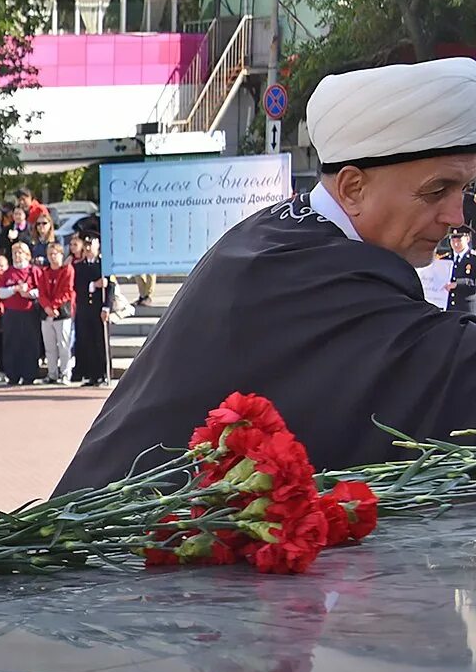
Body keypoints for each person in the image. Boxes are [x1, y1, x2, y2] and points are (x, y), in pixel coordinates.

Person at [58, 57, 476, 491]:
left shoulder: (276, 233)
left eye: (464, 189)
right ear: (353, 188)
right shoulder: (312, 273)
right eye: (436, 190)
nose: (456, 215)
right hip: (125, 549)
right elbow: (442, 368)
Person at [0, 243, 43, 386]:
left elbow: (42, 291)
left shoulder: (34, 271)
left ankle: (29, 374)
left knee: (29, 343)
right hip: (11, 313)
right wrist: (15, 289)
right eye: (15, 252)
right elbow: (1, 293)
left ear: (27, 254)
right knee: (11, 343)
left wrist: (28, 293)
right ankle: (13, 374)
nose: (17, 255)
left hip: (29, 312)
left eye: (20, 252)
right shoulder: (8, 273)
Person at [69, 234, 111, 386]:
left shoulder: (103, 266)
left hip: (98, 309)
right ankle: (90, 374)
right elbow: (77, 286)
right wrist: (93, 285)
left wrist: (107, 307)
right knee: (86, 341)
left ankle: (102, 373)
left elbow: (110, 288)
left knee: (99, 341)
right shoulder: (79, 267)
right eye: (85, 245)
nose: (88, 248)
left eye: (91, 245)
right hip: (84, 308)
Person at [34, 240, 76, 384]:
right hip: (46, 313)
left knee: (64, 345)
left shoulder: (67, 270)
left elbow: (67, 291)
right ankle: (52, 374)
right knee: (50, 346)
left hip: (62, 312)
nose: (53, 257)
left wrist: (54, 306)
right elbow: (41, 292)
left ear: (61, 255)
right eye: (50, 254)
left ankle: (65, 373)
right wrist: (47, 307)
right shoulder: (44, 272)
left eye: (55, 254)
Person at [447, 227, 476, 316]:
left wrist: (458, 284)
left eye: (459, 240)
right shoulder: (445, 260)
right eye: (453, 240)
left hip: (467, 309)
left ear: (467, 239)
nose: (456, 243)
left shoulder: (473, 259)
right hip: (449, 310)